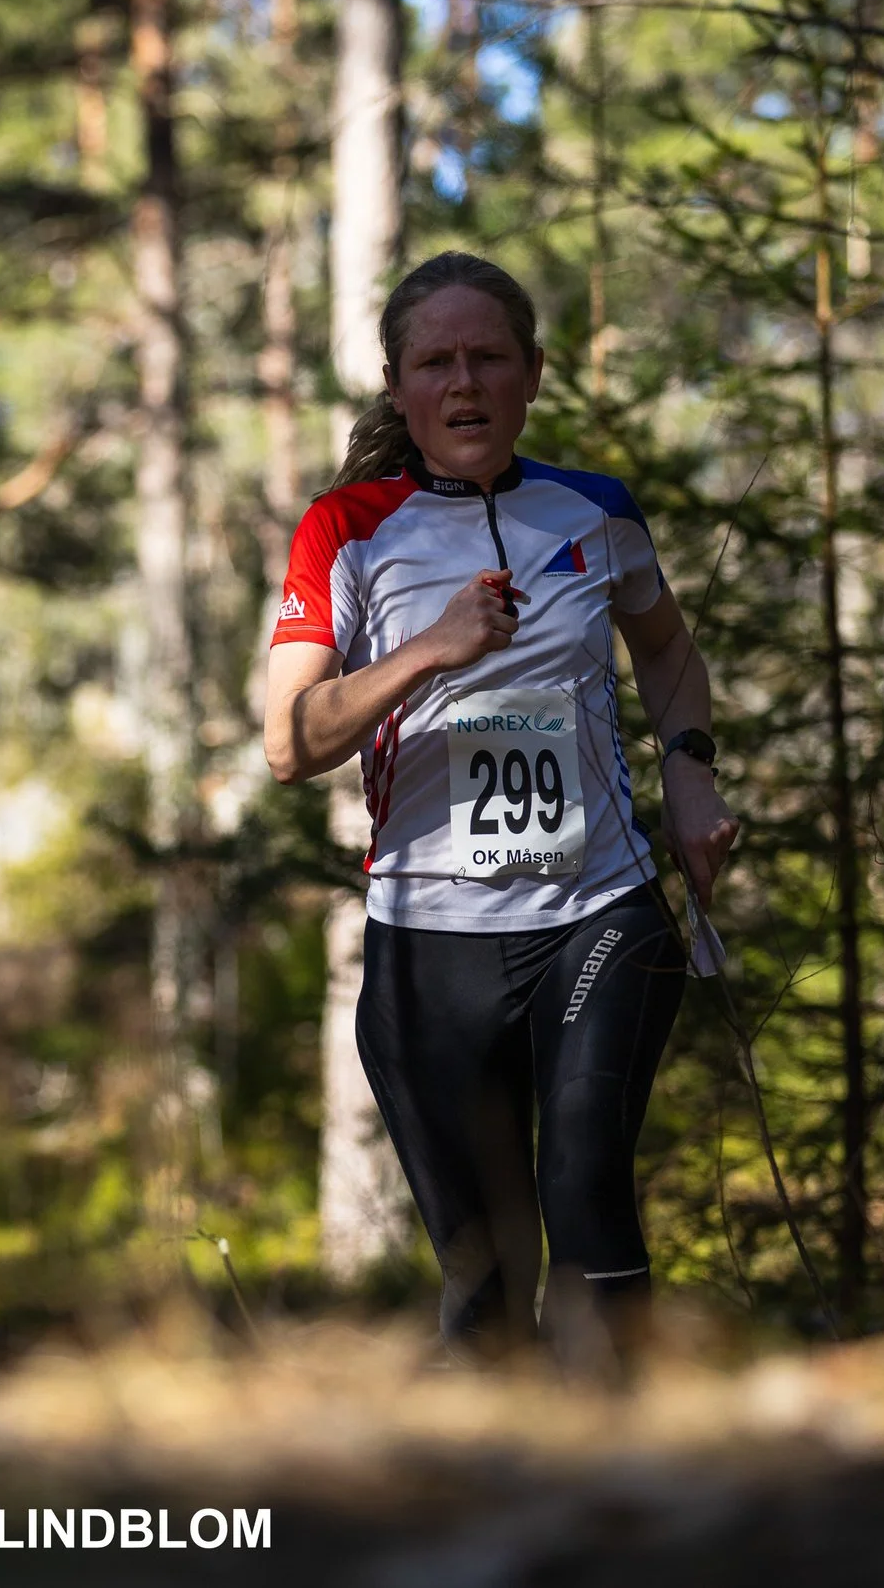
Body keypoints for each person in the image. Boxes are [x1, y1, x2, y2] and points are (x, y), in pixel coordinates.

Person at [263, 252, 739, 1365]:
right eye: (436, 361)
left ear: (532, 372)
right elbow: (293, 743)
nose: (463, 381)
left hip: (599, 908)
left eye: (487, 357)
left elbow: (667, 654)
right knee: (485, 1281)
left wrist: (691, 771)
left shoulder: (595, 512)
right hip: (431, 944)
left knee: (583, 1181)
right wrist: (432, 649)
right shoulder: (345, 529)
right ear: (397, 385)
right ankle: (511, 1494)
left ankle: (629, 1461)